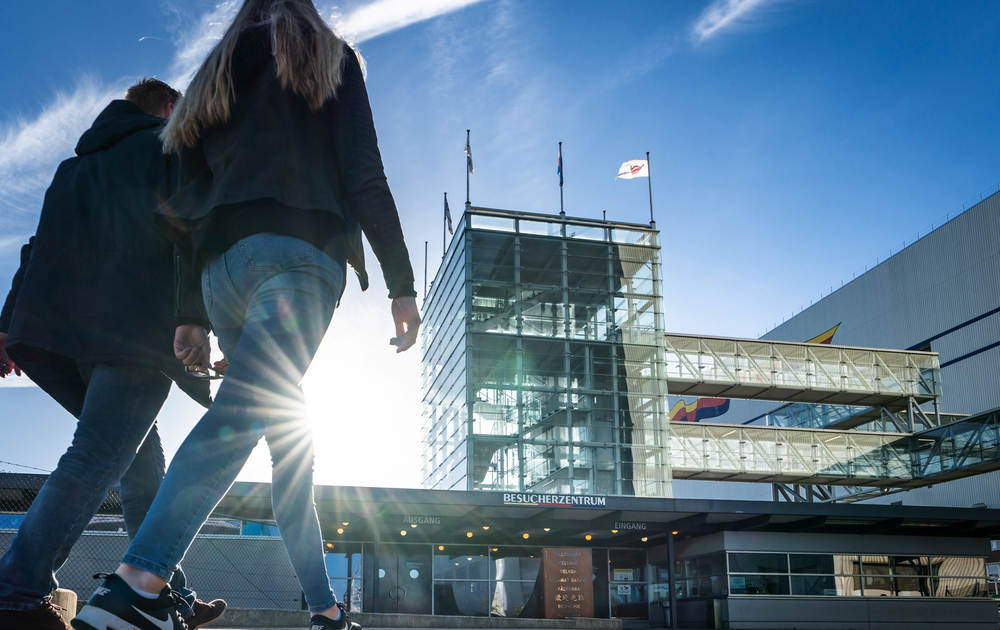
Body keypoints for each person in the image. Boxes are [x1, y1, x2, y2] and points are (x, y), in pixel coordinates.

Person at [73, 1, 421, 630]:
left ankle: (326, 611)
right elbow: (365, 173)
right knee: (241, 418)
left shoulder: (214, 75)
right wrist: (401, 282)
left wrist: (191, 313)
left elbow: (184, 203)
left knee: (290, 447)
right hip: (299, 261)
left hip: (221, 276)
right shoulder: (329, 57)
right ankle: (136, 585)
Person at [0, 79, 226, 630]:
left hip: (64, 339)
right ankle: (16, 590)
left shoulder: (71, 170)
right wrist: (200, 317)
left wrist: (6, 326)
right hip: (132, 330)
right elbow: (192, 231)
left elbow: (38, 248)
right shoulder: (170, 146)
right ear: (169, 109)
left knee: (139, 460)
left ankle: (166, 590)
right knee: (100, 453)